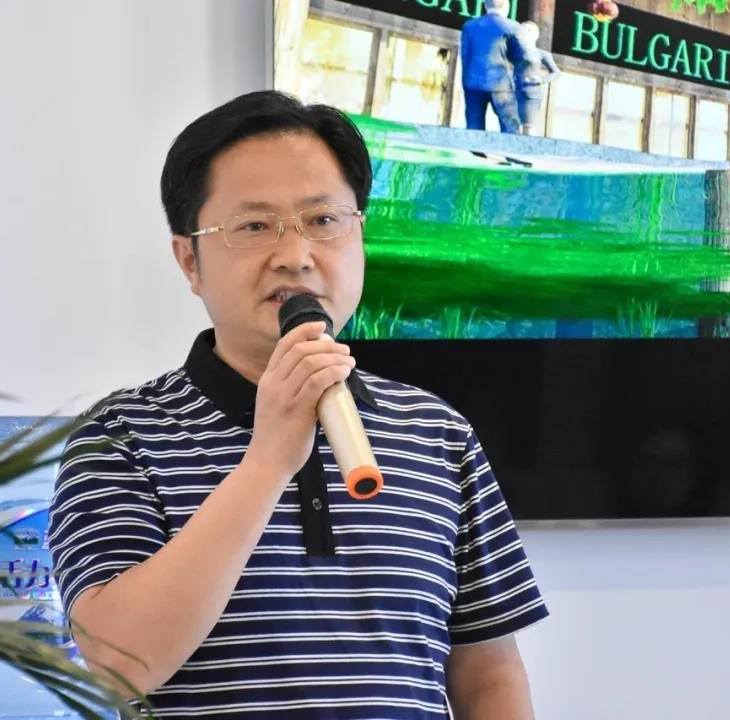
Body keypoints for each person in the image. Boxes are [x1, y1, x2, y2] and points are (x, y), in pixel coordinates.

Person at [46, 90, 548, 718]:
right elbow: (117, 666)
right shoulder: (120, 435)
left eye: (324, 220)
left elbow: (489, 674)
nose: (295, 256)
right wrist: (266, 462)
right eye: (254, 227)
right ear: (189, 261)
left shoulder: (437, 433)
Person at [459, 0, 525, 133]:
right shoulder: (513, 27)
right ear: (506, 6)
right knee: (510, 129)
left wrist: (465, 81)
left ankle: (475, 147)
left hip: (472, 83)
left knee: (474, 128)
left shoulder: (469, 26)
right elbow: (520, 57)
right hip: (502, 85)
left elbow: (465, 56)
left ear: (485, 6)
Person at [514, 21, 560, 136]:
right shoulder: (513, 52)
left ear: (536, 35)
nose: (525, 32)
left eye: (529, 30)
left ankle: (528, 146)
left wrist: (541, 80)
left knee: (528, 126)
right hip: (513, 91)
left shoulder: (542, 54)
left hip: (531, 93)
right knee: (512, 125)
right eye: (523, 29)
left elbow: (556, 72)